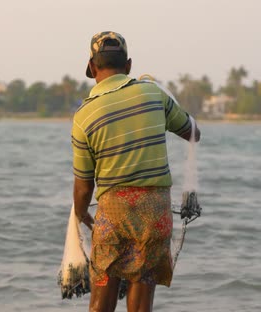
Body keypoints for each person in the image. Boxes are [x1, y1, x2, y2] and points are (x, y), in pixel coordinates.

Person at [71, 31, 201, 312]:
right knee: (142, 306)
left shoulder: (84, 116)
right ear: (128, 65)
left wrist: (81, 215)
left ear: (93, 68)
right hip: (155, 214)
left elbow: (83, 186)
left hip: (112, 215)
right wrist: (166, 99)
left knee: (100, 304)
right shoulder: (153, 94)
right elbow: (193, 133)